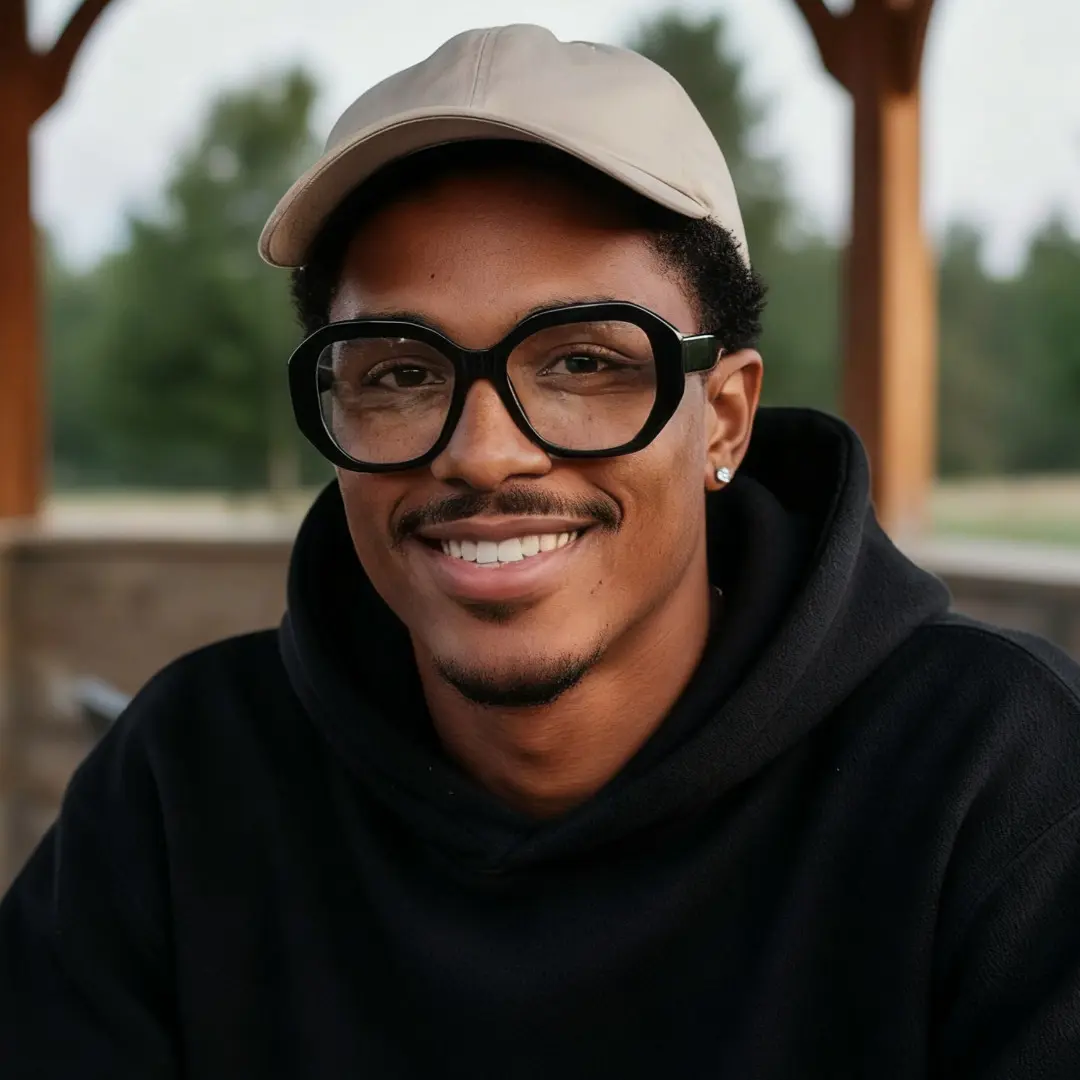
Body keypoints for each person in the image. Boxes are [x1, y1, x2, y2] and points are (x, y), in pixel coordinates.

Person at [3, 23, 1080, 1078]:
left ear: (726, 419)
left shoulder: (999, 780)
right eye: (400, 372)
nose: (483, 454)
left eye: (581, 362)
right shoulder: (189, 785)